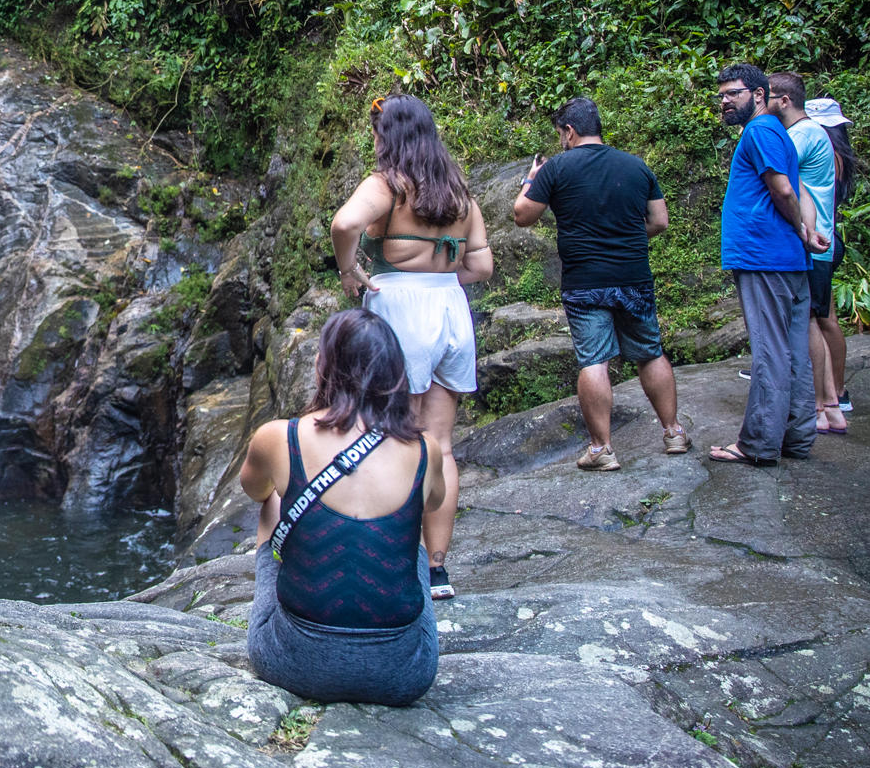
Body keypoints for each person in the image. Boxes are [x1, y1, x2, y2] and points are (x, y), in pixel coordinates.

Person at [238, 308, 444, 705]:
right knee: (409, 537)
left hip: (292, 662)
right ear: (395, 374)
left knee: (273, 504)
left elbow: (253, 489)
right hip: (403, 672)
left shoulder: (280, 438)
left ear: (323, 367)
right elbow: (434, 502)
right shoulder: (424, 450)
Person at [330, 94, 491, 600]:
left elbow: (343, 224)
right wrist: (440, 276)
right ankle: (438, 569)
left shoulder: (387, 186)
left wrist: (349, 269)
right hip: (450, 312)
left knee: (394, 436)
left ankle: (393, 558)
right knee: (439, 443)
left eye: (377, 130)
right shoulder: (458, 192)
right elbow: (482, 268)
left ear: (388, 136)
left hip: (400, 310)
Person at [512, 96, 689, 469]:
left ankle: (601, 449)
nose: (561, 140)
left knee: (594, 360)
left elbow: (522, 215)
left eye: (561, 134)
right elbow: (659, 221)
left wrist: (531, 177)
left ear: (570, 131)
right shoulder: (636, 166)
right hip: (633, 276)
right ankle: (673, 432)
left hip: (584, 282)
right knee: (650, 352)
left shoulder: (556, 168)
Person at [708, 64, 830, 467]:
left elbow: (782, 189)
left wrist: (799, 228)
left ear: (759, 95)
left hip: (764, 258)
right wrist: (805, 234)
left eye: (734, 93)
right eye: (722, 95)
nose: (725, 101)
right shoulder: (777, 131)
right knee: (794, 350)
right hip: (788, 260)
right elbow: (797, 189)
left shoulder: (759, 131)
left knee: (770, 350)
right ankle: (796, 438)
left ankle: (758, 443)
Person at [768, 72, 844, 435]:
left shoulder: (802, 135)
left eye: (764, 96)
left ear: (783, 101)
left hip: (813, 241)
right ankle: (830, 406)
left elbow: (774, 172)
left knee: (810, 323)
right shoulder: (812, 133)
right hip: (817, 240)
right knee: (815, 319)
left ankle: (818, 406)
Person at [809, 97, 865, 413]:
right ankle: (836, 390)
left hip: (821, 242)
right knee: (824, 317)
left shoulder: (825, 154)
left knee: (820, 320)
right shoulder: (840, 155)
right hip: (830, 240)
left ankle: (835, 392)